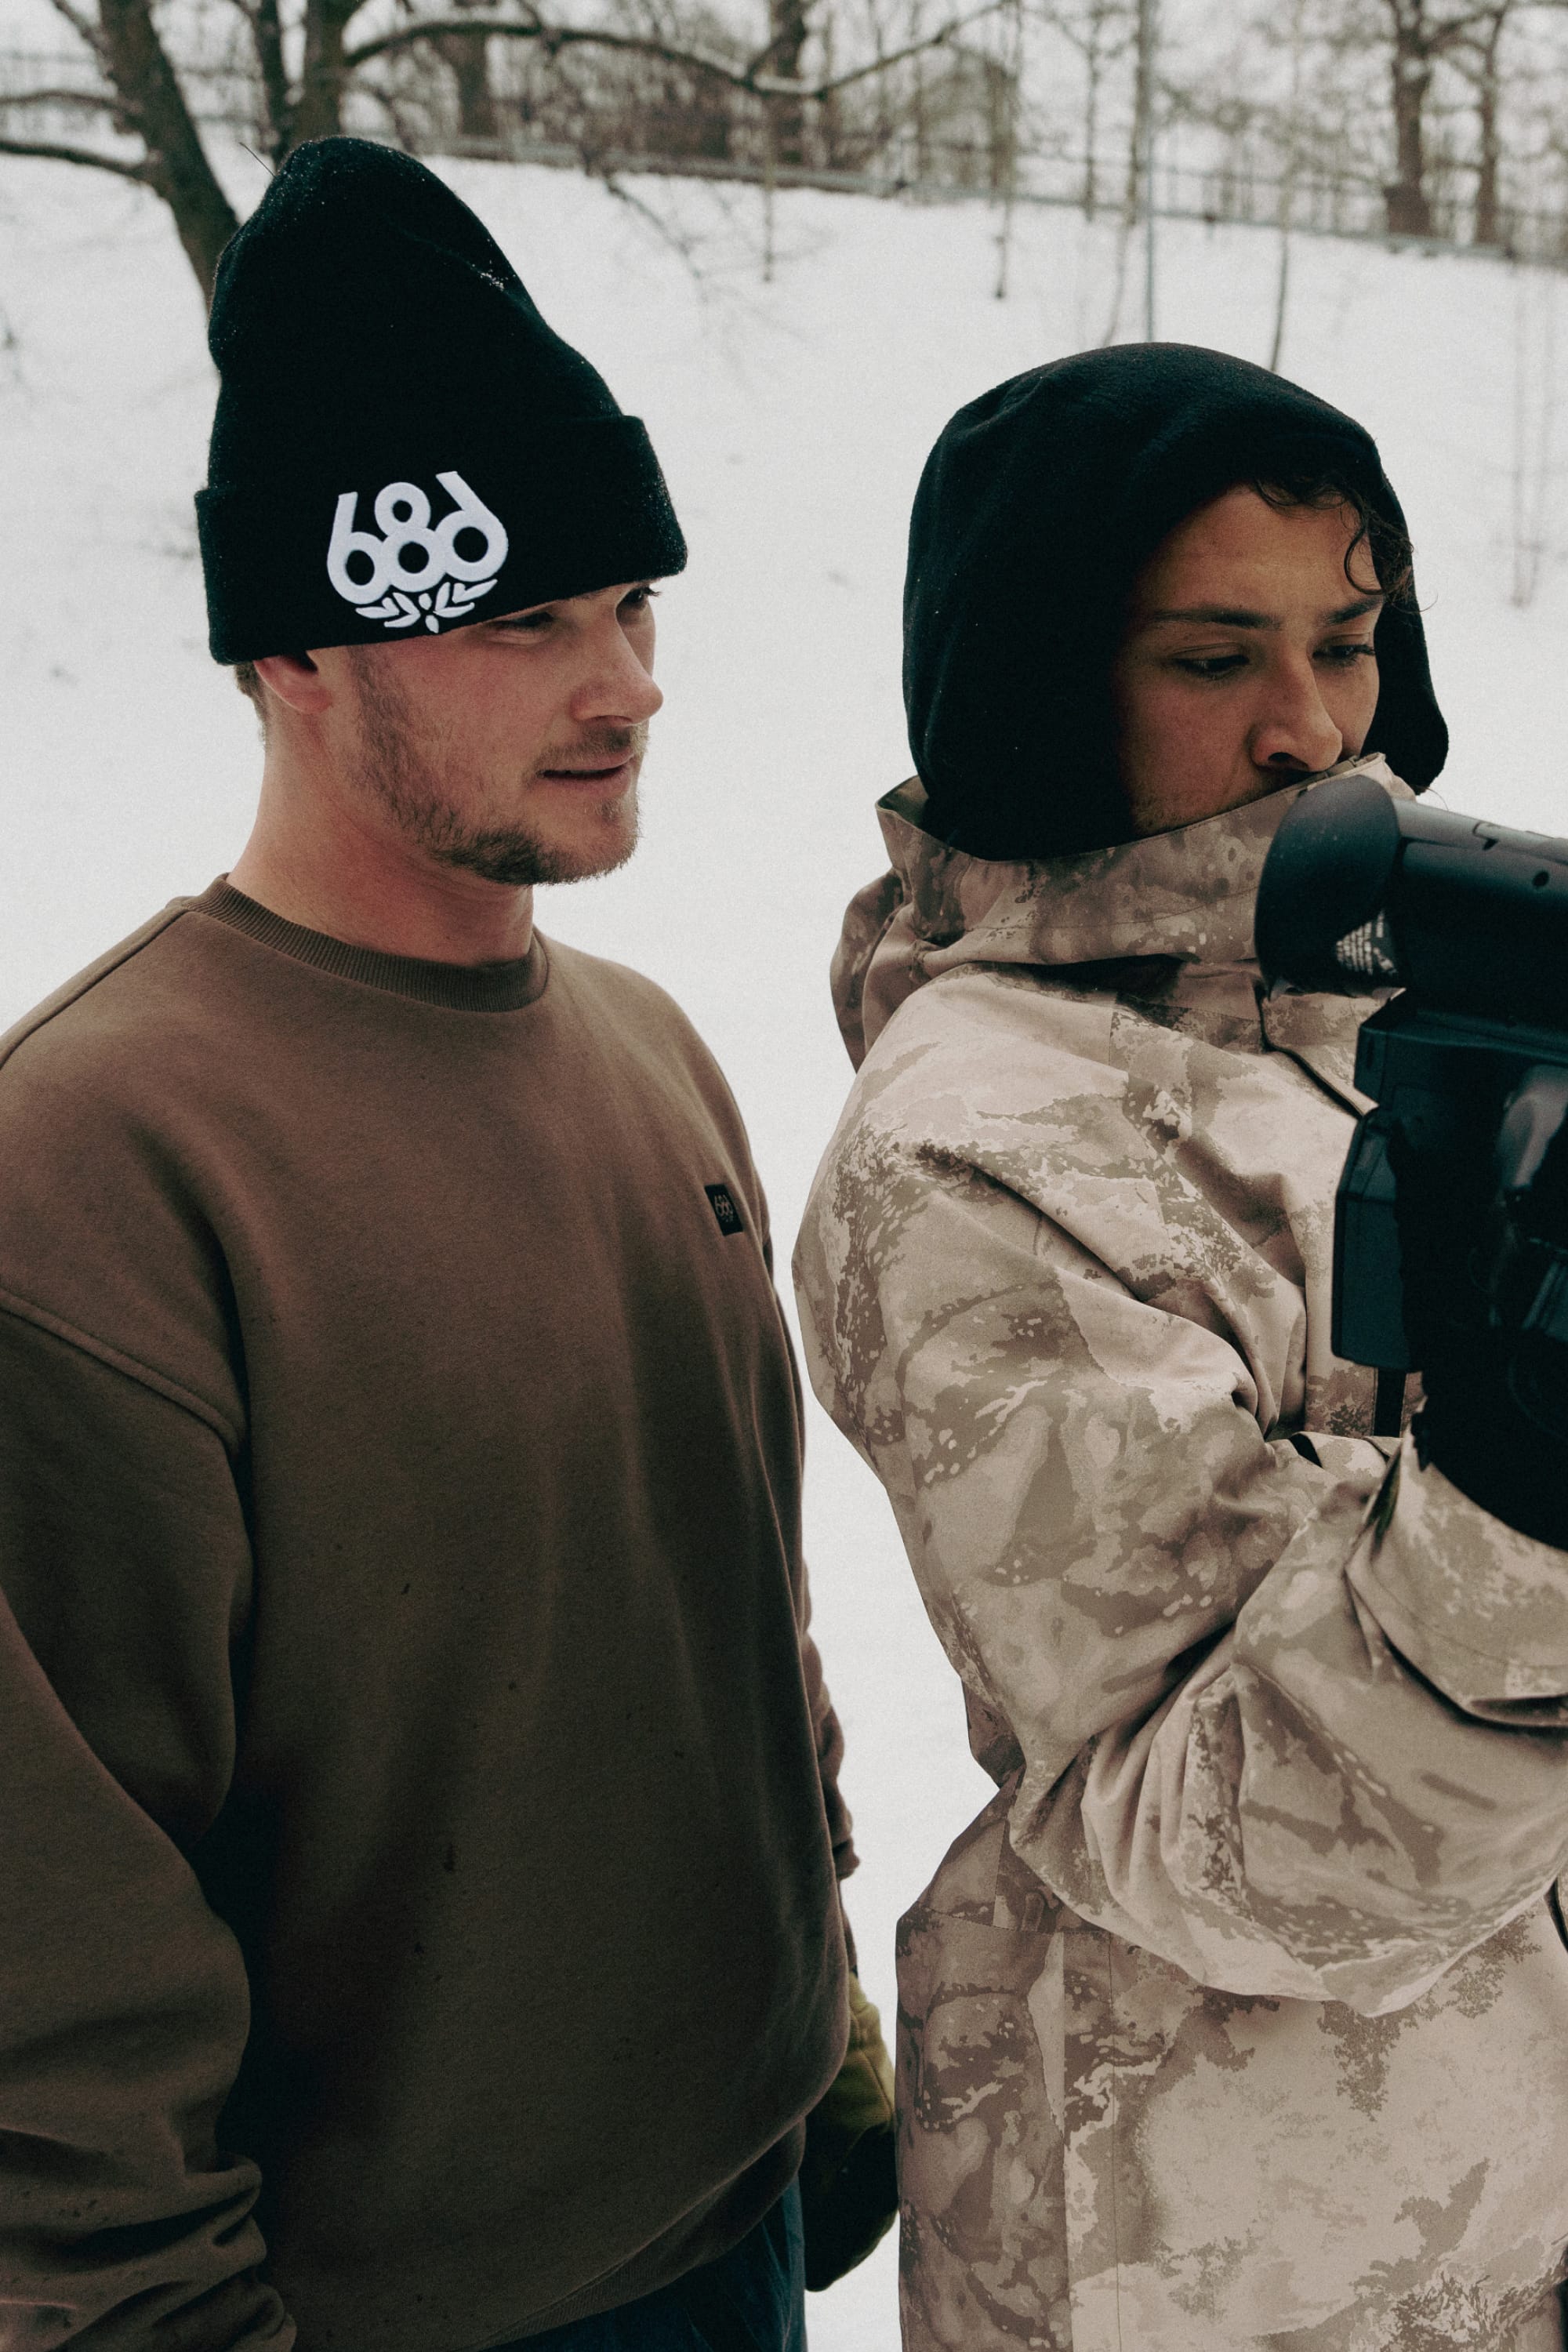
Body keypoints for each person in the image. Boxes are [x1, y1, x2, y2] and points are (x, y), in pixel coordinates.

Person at [0, 138, 894, 2352]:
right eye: (525, 622)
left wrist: (825, 2011)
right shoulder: (98, 1165)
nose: (627, 685)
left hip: (740, 2211)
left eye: (634, 607)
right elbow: (49, 1916)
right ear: (297, 648)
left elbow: (732, 1608)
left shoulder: (648, 1053)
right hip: (404, 2314)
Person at [793, 343, 1568, 2352]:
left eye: (1347, 638)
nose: (1309, 729)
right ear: (1045, 680)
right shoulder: (974, 1149)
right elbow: (1211, 1840)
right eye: (1211, 658)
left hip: (1508, 2195)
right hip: (1205, 2247)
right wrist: (1531, 1486)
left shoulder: (1400, 1012)